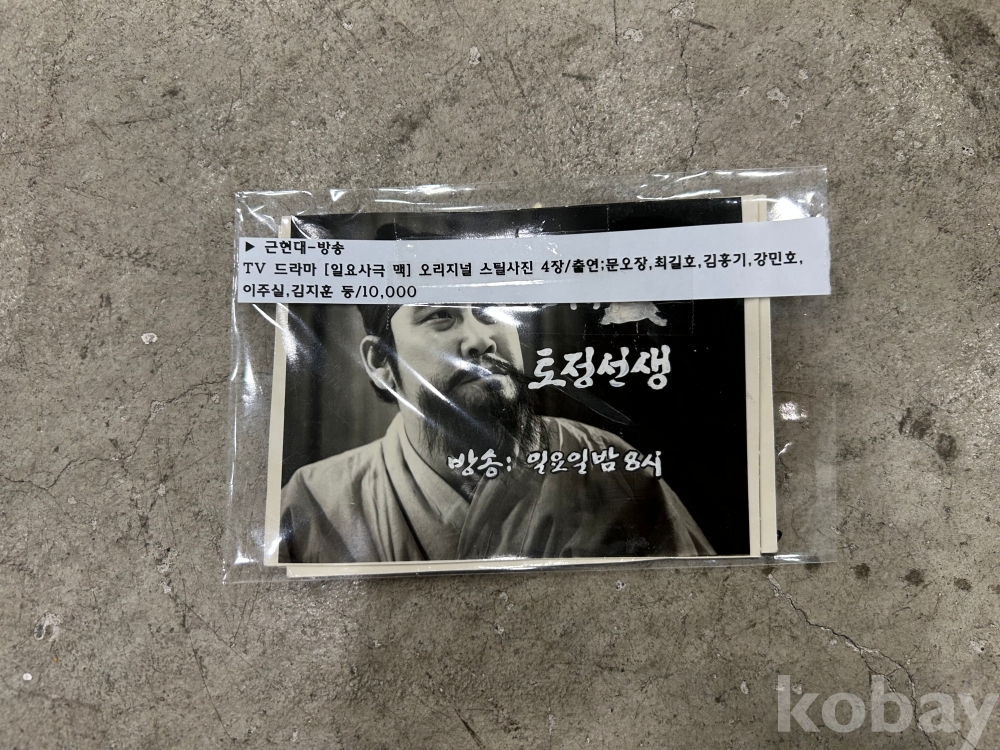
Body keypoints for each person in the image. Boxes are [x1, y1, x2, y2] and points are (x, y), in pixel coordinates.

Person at [279, 304, 714, 563]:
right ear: (380, 362)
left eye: (490, 311)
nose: (479, 340)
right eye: (440, 316)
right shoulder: (314, 502)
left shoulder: (609, 466)